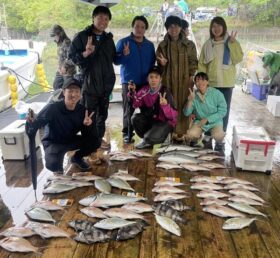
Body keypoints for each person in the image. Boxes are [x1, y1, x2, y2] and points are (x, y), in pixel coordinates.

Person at [25, 78, 101, 174]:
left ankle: (76, 158)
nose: (73, 94)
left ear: (80, 94)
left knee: (95, 141)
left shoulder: (82, 111)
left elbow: (89, 136)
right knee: (53, 164)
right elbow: (35, 125)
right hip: (53, 142)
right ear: (64, 92)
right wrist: (30, 122)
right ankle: (57, 166)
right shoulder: (52, 108)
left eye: (77, 91)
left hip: (70, 140)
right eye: (70, 91)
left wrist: (88, 125)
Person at [69, 6, 116, 148]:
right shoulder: (82, 36)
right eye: (100, 17)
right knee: (89, 115)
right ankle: (89, 142)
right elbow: (71, 58)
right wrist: (85, 53)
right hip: (89, 84)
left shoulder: (108, 39)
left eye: (106, 19)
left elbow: (113, 59)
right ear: (93, 18)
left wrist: (123, 55)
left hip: (106, 85)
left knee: (102, 115)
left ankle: (98, 140)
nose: (103, 21)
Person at [198, 17, 243, 140]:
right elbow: (202, 63)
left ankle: (220, 135)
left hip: (226, 84)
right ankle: (207, 135)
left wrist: (233, 44)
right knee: (208, 110)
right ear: (211, 29)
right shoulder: (207, 44)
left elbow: (238, 58)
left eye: (219, 26)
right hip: (211, 84)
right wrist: (202, 82)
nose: (216, 29)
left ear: (223, 27)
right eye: (213, 26)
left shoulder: (231, 41)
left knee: (224, 111)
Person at [115, 16, 155, 144]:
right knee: (129, 108)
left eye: (142, 27)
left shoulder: (149, 45)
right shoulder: (123, 42)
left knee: (147, 109)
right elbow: (116, 61)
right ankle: (127, 133)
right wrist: (124, 55)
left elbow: (153, 62)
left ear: (145, 29)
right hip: (129, 82)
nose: (139, 29)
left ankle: (147, 133)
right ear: (132, 27)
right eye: (137, 26)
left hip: (145, 82)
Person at [156, 15, 198, 142]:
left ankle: (181, 133)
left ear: (181, 28)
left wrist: (191, 76)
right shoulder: (162, 45)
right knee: (170, 105)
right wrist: (162, 64)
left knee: (184, 104)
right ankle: (169, 132)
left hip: (185, 81)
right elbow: (159, 68)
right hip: (168, 82)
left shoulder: (189, 44)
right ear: (167, 28)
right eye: (170, 26)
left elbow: (194, 62)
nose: (174, 28)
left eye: (176, 26)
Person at [128, 66, 177, 149]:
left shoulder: (165, 92)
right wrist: (132, 93)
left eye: (156, 77)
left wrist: (165, 106)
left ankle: (163, 137)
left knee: (150, 138)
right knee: (135, 118)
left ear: (160, 79)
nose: (153, 80)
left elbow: (173, 117)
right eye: (151, 77)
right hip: (153, 121)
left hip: (165, 122)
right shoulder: (144, 90)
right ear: (148, 79)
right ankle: (147, 139)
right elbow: (135, 105)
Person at [184, 72, 227, 150]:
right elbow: (186, 113)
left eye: (203, 80)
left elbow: (223, 111)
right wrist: (190, 101)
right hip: (200, 122)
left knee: (219, 135)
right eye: (197, 80)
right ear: (195, 83)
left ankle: (219, 142)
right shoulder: (193, 95)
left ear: (207, 82)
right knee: (190, 135)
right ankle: (197, 139)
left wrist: (208, 119)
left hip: (215, 121)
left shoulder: (217, 93)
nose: (200, 82)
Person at [50, 25, 71, 90]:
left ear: (60, 34)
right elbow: (61, 57)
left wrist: (65, 67)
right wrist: (60, 67)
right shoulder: (59, 43)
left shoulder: (67, 42)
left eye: (55, 35)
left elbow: (70, 57)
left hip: (68, 71)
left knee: (67, 88)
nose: (54, 38)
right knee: (56, 85)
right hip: (60, 70)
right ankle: (59, 99)